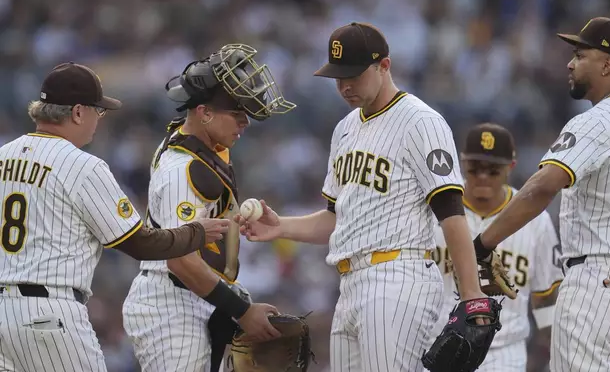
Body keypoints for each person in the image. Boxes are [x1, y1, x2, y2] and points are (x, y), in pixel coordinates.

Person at [234, 22, 504, 372]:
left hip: (397, 277)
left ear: (384, 66)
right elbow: (335, 219)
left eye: (354, 75)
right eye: (337, 77)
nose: (345, 85)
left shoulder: (420, 121)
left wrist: (471, 295)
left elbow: (451, 212)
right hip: (349, 283)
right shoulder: (344, 129)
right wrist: (279, 227)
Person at [0, 62, 231, 372]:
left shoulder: (4, 156)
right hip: (49, 315)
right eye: (98, 111)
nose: (99, 119)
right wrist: (197, 232)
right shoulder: (82, 165)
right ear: (78, 112)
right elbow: (140, 244)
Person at [471, 17, 610, 372]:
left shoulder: (595, 121)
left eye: (581, 55)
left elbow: (542, 186)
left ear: (608, 64)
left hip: (598, 285)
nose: (570, 62)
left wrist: (483, 244)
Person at [122, 44, 296, 372]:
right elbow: (180, 261)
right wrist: (242, 311)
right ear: (204, 112)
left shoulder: (201, 142)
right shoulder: (183, 170)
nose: (245, 122)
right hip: (172, 303)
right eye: (238, 112)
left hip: (199, 296)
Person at [428, 123, 563, 371]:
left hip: (505, 354)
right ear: (462, 163)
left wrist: (553, 350)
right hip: (439, 346)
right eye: (475, 167)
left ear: (510, 168)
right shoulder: (436, 209)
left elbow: (545, 297)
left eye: (493, 170)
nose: (482, 176)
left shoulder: (536, 221)